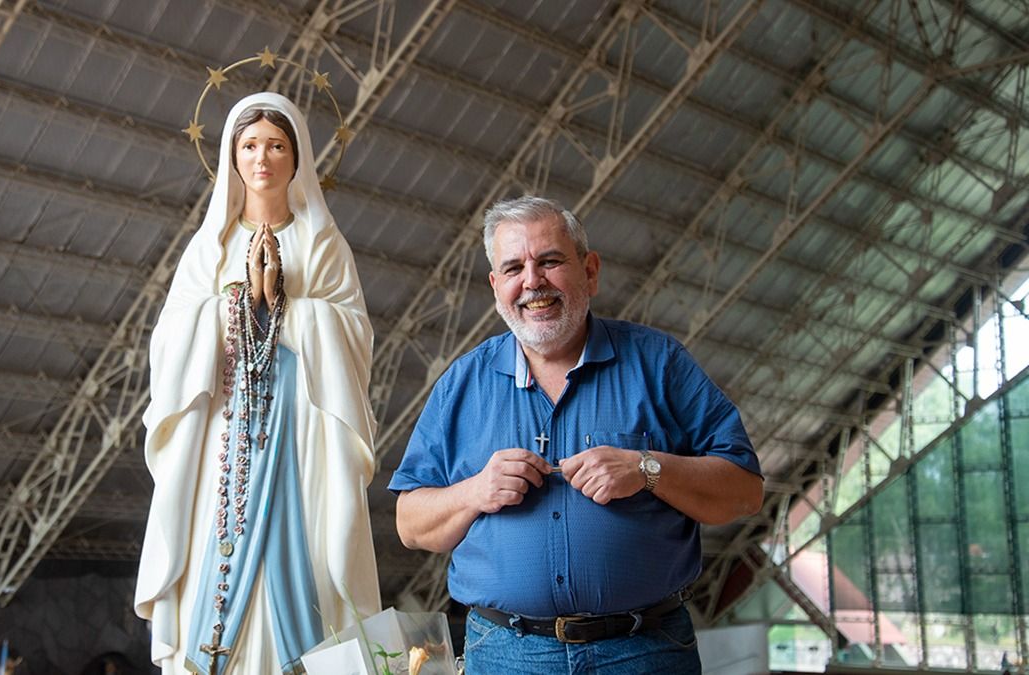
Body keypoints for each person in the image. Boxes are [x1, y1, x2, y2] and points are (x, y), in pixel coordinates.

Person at [389, 196, 764, 674]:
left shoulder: (660, 363)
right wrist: (474, 492)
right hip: (507, 654)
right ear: (495, 285)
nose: (532, 282)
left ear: (590, 270)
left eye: (549, 261)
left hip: (645, 651)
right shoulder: (461, 384)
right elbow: (409, 524)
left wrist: (648, 469)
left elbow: (745, 491)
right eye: (513, 268)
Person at [135, 92, 381, 675]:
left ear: (297, 157)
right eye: (249, 146)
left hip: (299, 434)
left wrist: (286, 308)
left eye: (275, 145)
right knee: (211, 555)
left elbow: (354, 336)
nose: (262, 158)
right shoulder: (210, 247)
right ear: (230, 156)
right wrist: (236, 304)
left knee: (306, 549)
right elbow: (169, 342)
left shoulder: (322, 244)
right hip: (222, 441)